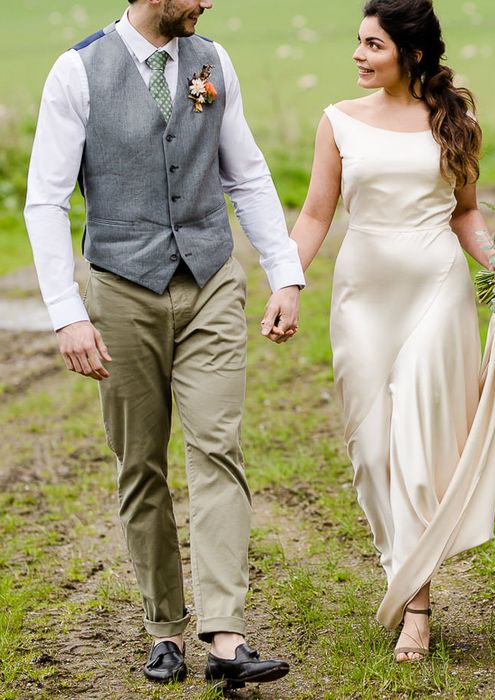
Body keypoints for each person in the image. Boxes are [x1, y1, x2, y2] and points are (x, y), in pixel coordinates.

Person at [24, 0, 302, 688]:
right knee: (140, 463)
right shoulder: (76, 72)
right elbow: (46, 201)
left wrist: (285, 273)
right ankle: (164, 628)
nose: (207, 3)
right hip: (121, 290)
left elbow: (248, 173)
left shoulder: (213, 60)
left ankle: (227, 638)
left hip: (210, 280)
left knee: (217, 447)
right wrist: (66, 312)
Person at [290, 0, 495, 663]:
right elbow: (316, 215)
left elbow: (465, 216)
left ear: (410, 53)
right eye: (357, 42)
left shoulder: (456, 122)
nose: (357, 55)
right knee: (372, 449)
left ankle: (417, 606)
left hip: (437, 293)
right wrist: (285, 283)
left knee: (414, 440)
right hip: (362, 299)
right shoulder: (337, 122)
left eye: (372, 45)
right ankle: (399, 561)